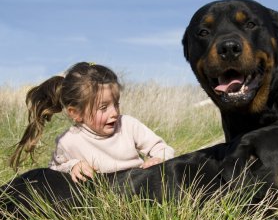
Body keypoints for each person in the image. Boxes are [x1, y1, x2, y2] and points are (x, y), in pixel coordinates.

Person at [10, 62, 175, 182]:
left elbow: (161, 148)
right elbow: (54, 171)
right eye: (103, 108)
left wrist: (159, 158)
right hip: (100, 196)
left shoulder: (128, 125)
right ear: (76, 113)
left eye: (116, 104)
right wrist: (73, 165)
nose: (114, 113)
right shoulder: (69, 141)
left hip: (136, 186)